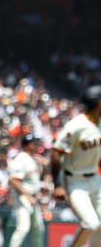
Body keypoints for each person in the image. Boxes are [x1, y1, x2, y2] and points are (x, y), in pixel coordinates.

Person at [51, 85, 101, 247]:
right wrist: (57, 185)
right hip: (75, 181)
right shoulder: (76, 125)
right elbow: (56, 152)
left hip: (94, 179)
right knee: (90, 224)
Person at [8, 134, 44, 247]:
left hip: (33, 197)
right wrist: (28, 196)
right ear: (27, 145)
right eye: (34, 143)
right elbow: (13, 180)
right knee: (23, 228)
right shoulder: (21, 158)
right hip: (23, 197)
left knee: (39, 228)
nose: (37, 145)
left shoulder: (32, 158)